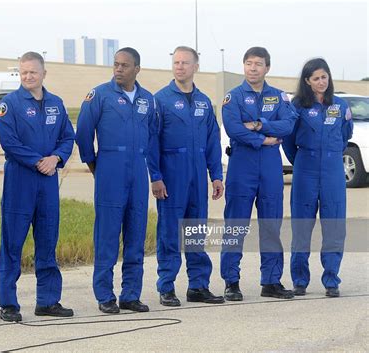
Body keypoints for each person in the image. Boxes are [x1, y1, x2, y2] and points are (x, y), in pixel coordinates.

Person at [0, 52, 75, 322]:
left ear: (43, 73)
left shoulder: (56, 103)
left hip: (49, 181)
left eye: (32, 72)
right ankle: (8, 303)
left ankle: (48, 301)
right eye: (23, 72)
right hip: (21, 180)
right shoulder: (11, 104)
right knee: (12, 243)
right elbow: (8, 142)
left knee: (47, 240)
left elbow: (68, 137)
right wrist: (37, 160)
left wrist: (56, 158)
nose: (28, 76)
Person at [76, 47, 154, 314]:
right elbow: (84, 134)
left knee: (136, 232)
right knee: (107, 234)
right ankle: (105, 295)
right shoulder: (99, 95)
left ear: (137, 69)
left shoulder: (147, 99)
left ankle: (131, 294)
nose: (118, 69)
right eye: (116, 64)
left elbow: (152, 135)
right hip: (110, 168)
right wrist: (95, 164)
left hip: (138, 171)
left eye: (124, 65)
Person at [147, 46, 224, 306]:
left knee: (196, 231)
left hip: (197, 174)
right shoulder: (160, 100)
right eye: (176, 62)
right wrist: (155, 176)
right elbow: (151, 141)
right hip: (172, 173)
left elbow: (213, 141)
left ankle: (198, 286)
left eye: (185, 62)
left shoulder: (204, 101)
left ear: (196, 67)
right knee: (169, 231)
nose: (179, 66)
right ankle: (166, 286)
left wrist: (216, 175)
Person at [220, 47, 297, 301]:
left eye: (258, 64)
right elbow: (233, 128)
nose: (253, 68)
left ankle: (272, 281)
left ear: (267, 68)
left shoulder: (279, 97)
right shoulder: (234, 97)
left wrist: (259, 125)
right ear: (243, 66)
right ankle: (231, 281)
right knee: (235, 225)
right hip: (243, 164)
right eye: (249, 63)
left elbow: (288, 125)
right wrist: (264, 140)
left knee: (271, 223)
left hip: (270, 167)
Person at [282, 58, 353, 297]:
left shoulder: (341, 106)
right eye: (316, 78)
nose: (321, 82)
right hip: (306, 168)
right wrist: (303, 161)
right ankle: (300, 280)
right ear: (307, 82)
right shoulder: (297, 106)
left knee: (333, 225)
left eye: (324, 77)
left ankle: (331, 280)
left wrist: (330, 155)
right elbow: (289, 142)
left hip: (333, 169)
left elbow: (345, 136)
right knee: (302, 225)